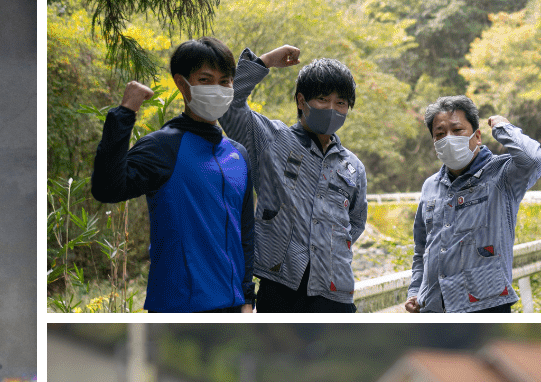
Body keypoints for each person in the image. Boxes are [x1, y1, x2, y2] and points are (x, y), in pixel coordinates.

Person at [89, 37, 257, 313]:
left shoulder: (238, 154)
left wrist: (248, 297)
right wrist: (124, 114)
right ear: (182, 83)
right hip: (179, 308)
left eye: (225, 81)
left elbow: (246, 232)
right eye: (205, 79)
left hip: (234, 306)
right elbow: (107, 189)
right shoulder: (163, 146)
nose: (218, 88)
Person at [221, 45, 368, 312]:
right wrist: (265, 61)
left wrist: (325, 244)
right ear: (302, 101)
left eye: (341, 103)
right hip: (280, 285)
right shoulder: (272, 139)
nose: (332, 109)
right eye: (323, 99)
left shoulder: (353, 167)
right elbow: (228, 106)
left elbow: (355, 223)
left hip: (335, 291)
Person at [405, 97, 541, 313]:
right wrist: (415, 291)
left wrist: (503, 128)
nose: (448, 139)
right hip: (433, 307)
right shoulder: (430, 186)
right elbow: (422, 248)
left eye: (457, 129)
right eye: (440, 134)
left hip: (485, 305)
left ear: (477, 136)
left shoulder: (501, 175)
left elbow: (534, 160)